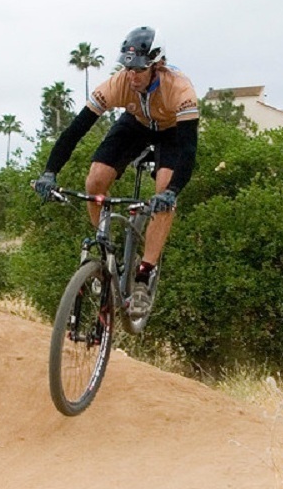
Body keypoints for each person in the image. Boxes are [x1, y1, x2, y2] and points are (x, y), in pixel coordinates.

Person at [33, 26, 199, 319]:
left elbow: (187, 151)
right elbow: (75, 131)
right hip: (135, 123)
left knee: (164, 191)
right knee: (95, 178)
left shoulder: (180, 89)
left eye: (138, 69)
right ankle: (105, 245)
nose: (131, 75)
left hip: (172, 132)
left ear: (155, 65)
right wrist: (50, 172)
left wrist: (172, 192)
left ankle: (144, 275)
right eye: (127, 68)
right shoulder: (118, 83)